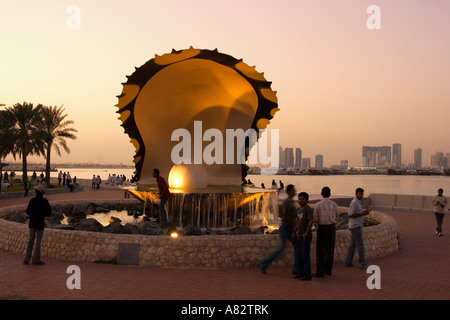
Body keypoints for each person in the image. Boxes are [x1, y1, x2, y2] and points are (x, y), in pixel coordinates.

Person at [259, 184, 297, 274]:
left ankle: (264, 263)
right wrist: (294, 223)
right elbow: (284, 215)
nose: (294, 191)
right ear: (289, 191)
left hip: (289, 226)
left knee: (293, 246)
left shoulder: (291, 201)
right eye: (293, 190)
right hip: (286, 227)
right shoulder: (287, 202)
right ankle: (264, 262)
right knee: (284, 248)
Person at [313, 186, 339, 277]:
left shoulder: (318, 205)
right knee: (330, 249)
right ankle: (328, 270)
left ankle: (320, 272)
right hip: (332, 228)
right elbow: (337, 217)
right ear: (330, 194)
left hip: (322, 228)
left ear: (321, 194)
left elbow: (315, 219)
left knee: (321, 250)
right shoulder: (334, 204)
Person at [23, 185, 52, 265]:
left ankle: (26, 258)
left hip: (32, 222)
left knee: (30, 239)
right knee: (38, 241)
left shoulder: (32, 200)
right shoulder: (45, 201)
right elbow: (48, 213)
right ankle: (36, 260)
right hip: (40, 223)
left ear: (36, 192)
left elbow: (28, 211)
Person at [345, 187, 370, 268]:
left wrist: (363, 212)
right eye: (360, 194)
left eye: (362, 194)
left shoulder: (358, 202)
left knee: (353, 245)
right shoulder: (354, 202)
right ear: (356, 194)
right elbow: (350, 215)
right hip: (355, 226)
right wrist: (362, 214)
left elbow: (357, 212)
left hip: (357, 225)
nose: (361, 195)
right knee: (360, 245)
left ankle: (348, 262)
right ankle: (363, 263)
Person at [292, 192, 314, 280]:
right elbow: (298, 222)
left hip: (305, 236)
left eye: (303, 199)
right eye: (299, 199)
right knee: (299, 255)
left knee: (305, 256)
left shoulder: (308, 209)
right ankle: (300, 273)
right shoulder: (300, 210)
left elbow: (311, 221)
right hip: (299, 235)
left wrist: (306, 232)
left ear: (307, 200)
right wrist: (294, 232)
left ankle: (307, 275)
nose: (300, 201)